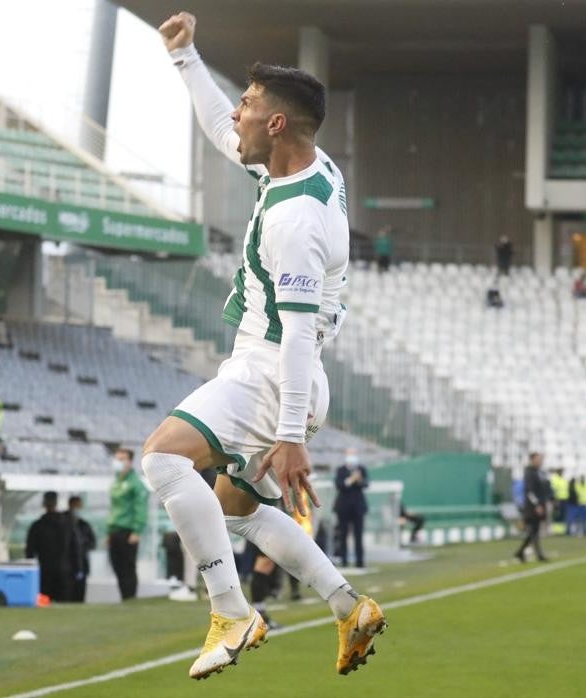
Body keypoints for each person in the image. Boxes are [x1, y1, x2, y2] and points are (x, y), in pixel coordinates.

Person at [148, 12, 384, 680]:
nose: (239, 117)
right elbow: (224, 129)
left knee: (164, 462)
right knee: (239, 507)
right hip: (283, 374)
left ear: (277, 125)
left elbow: (301, 332)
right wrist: (186, 57)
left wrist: (289, 433)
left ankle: (231, 610)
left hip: (272, 373)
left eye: (249, 107)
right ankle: (348, 606)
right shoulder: (306, 168)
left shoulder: (294, 221)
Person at [106, 448, 146, 602]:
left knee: (128, 567)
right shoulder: (116, 482)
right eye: (117, 458)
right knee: (117, 567)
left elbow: (140, 507)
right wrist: (109, 532)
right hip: (115, 530)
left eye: (122, 459)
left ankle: (130, 598)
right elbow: (113, 508)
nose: (118, 462)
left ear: (130, 461)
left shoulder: (135, 483)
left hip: (128, 530)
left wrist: (137, 530)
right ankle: (124, 597)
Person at [26, 492, 72, 603]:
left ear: (44, 504)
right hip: (64, 570)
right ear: (56, 503)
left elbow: (30, 551)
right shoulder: (67, 524)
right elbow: (75, 548)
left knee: (44, 603)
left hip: (45, 570)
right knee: (64, 605)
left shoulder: (37, 525)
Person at [334, 449, 369, 568]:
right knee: (343, 535)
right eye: (350, 454)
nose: (352, 457)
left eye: (354, 454)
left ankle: (360, 561)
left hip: (358, 508)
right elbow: (339, 485)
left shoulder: (361, 469)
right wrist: (351, 480)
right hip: (343, 508)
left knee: (358, 536)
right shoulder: (341, 470)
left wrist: (358, 480)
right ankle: (344, 561)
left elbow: (366, 484)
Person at [513, 452, 549, 563]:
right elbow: (529, 491)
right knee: (533, 531)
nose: (540, 461)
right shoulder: (529, 473)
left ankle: (520, 553)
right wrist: (537, 504)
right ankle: (538, 554)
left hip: (538, 505)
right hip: (531, 508)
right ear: (532, 460)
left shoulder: (539, 472)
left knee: (533, 532)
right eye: (537, 459)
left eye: (540, 459)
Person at [66, 495, 96, 603]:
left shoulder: (84, 525)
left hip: (82, 564)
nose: (77, 509)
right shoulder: (63, 522)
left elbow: (92, 543)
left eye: (79, 506)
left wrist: (81, 546)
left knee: (80, 592)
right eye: (75, 506)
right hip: (67, 565)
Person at [548, 466, 568, 536]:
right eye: (560, 471)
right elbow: (553, 490)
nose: (562, 472)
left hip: (564, 499)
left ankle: (561, 531)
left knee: (562, 515)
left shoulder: (563, 479)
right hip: (557, 500)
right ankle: (556, 531)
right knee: (557, 516)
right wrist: (555, 500)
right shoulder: (555, 479)